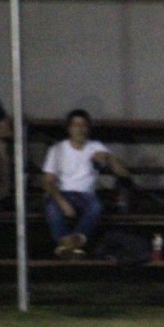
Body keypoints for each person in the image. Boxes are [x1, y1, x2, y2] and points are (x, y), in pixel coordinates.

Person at [41, 109, 132, 259]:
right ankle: (72, 245)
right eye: (76, 125)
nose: (80, 129)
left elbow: (124, 173)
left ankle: (67, 245)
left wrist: (109, 158)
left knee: (96, 206)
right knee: (52, 207)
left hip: (86, 195)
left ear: (88, 128)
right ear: (69, 128)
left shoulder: (96, 146)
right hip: (62, 192)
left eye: (83, 125)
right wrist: (62, 202)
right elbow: (48, 181)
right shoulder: (57, 149)